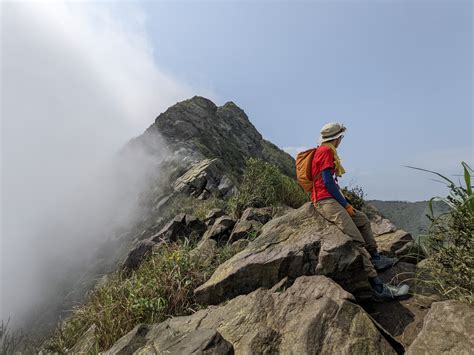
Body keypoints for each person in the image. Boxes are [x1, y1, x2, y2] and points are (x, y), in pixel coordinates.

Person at [312, 122, 409, 300]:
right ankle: (378, 288)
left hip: (331, 198)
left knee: (362, 219)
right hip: (326, 200)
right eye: (341, 137)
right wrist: (346, 205)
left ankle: (376, 258)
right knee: (356, 240)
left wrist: (345, 202)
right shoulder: (326, 151)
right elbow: (327, 181)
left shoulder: (325, 150)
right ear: (337, 138)